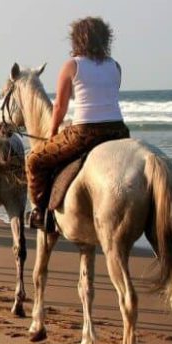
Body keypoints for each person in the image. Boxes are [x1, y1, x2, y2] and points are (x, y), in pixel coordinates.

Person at [25, 17, 130, 229]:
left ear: (76, 40)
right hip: (118, 131)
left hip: (84, 133)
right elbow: (109, 96)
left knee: (34, 160)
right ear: (105, 39)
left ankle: (39, 211)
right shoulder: (115, 66)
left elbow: (59, 108)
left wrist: (53, 132)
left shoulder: (72, 65)